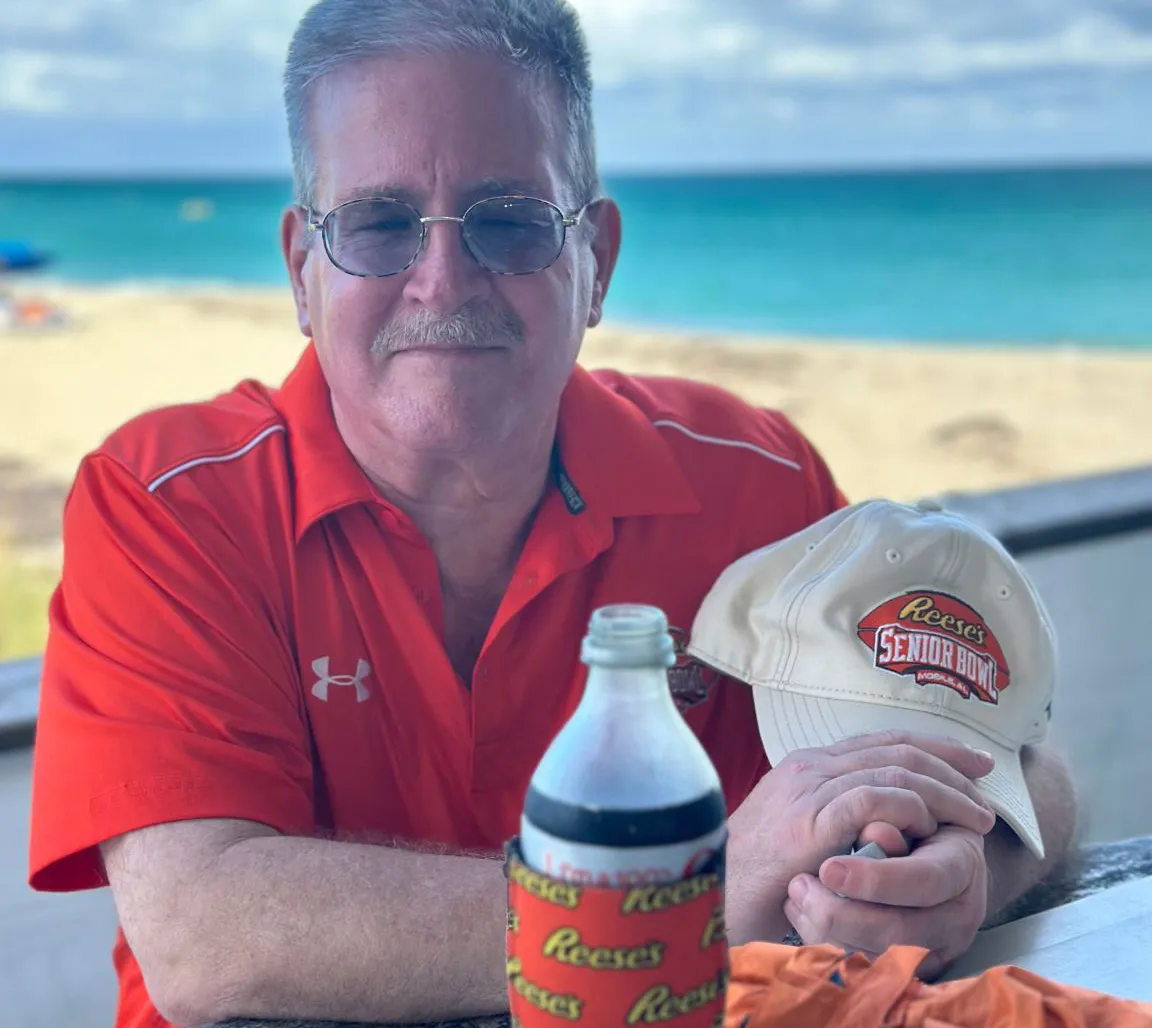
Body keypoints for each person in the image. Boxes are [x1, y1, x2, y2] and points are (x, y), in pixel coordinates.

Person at [27, 2, 1076, 1027]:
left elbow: (1023, 769)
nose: (442, 278)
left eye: (508, 220)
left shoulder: (755, 481)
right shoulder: (168, 499)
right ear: (304, 268)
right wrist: (693, 903)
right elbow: (203, 933)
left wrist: (969, 867)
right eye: (382, 222)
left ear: (599, 262)